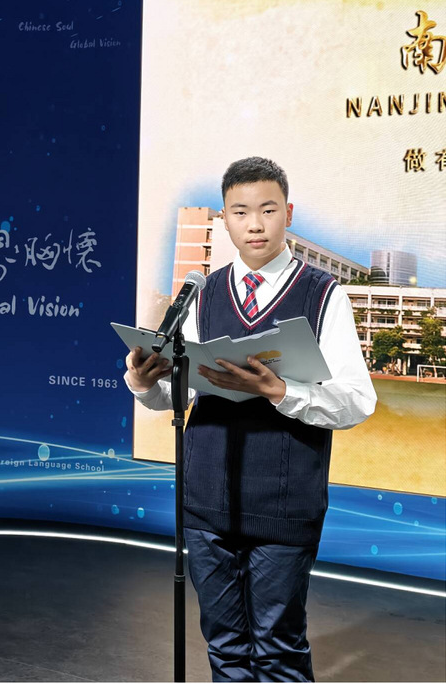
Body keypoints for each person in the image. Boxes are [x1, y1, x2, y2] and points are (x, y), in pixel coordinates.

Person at [124, 157, 377, 682]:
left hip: (284, 501)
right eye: (240, 212)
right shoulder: (202, 294)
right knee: (225, 647)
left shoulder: (323, 293)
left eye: (267, 210)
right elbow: (177, 393)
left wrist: (279, 391)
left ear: (289, 213)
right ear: (225, 219)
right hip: (206, 498)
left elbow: (356, 400)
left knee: (278, 650)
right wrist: (146, 383)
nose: (255, 224)